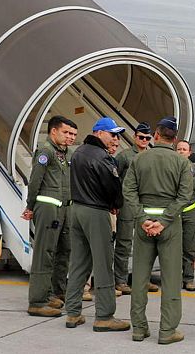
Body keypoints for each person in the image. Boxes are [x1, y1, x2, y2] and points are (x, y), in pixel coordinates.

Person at [125, 117, 192, 344]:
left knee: (140, 278)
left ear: (156, 134)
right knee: (171, 278)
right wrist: (164, 221)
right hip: (170, 225)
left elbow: (129, 191)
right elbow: (185, 196)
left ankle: (138, 328)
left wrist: (143, 219)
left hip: (143, 225)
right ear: (174, 139)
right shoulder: (182, 163)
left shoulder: (139, 159)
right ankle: (167, 331)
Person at [64, 117, 130, 332]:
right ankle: (104, 316)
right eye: (113, 134)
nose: (115, 139)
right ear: (99, 133)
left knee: (78, 263)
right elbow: (113, 189)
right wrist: (116, 204)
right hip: (96, 211)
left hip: (76, 210)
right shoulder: (102, 157)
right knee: (103, 264)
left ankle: (73, 313)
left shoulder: (78, 152)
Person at [23, 116, 77, 317]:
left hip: (64, 209)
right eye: (66, 133)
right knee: (44, 253)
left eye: (73, 134)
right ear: (53, 131)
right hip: (48, 208)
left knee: (64, 251)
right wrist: (30, 206)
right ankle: (37, 301)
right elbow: (35, 180)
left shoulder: (66, 154)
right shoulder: (45, 152)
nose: (70, 137)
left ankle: (54, 293)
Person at [114, 122, 155, 295]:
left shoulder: (152, 156)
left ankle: (142, 279)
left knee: (144, 245)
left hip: (146, 205)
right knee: (124, 242)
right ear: (134, 137)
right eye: (141, 137)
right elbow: (115, 180)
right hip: (128, 205)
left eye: (147, 138)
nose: (144, 140)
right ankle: (121, 280)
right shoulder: (124, 156)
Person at [175, 140, 195, 291]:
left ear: (189, 152)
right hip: (175, 212)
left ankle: (189, 278)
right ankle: (176, 278)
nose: (181, 151)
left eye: (184, 149)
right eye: (178, 149)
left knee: (190, 247)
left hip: (191, 211)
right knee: (174, 247)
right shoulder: (170, 167)